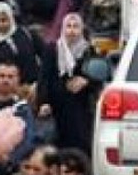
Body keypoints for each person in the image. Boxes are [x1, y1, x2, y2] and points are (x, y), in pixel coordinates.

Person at [38, 13, 101, 153]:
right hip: (57, 106)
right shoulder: (53, 49)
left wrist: (86, 81)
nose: (71, 30)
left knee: (80, 143)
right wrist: (43, 101)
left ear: (81, 29)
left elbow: (97, 78)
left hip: (80, 106)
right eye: (68, 26)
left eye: (75, 27)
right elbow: (44, 77)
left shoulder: (88, 50)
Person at [0, 3, 39, 93]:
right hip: (8, 91)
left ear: (10, 18)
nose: (1, 24)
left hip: (31, 88)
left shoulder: (25, 34)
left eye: (4, 20)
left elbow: (43, 54)